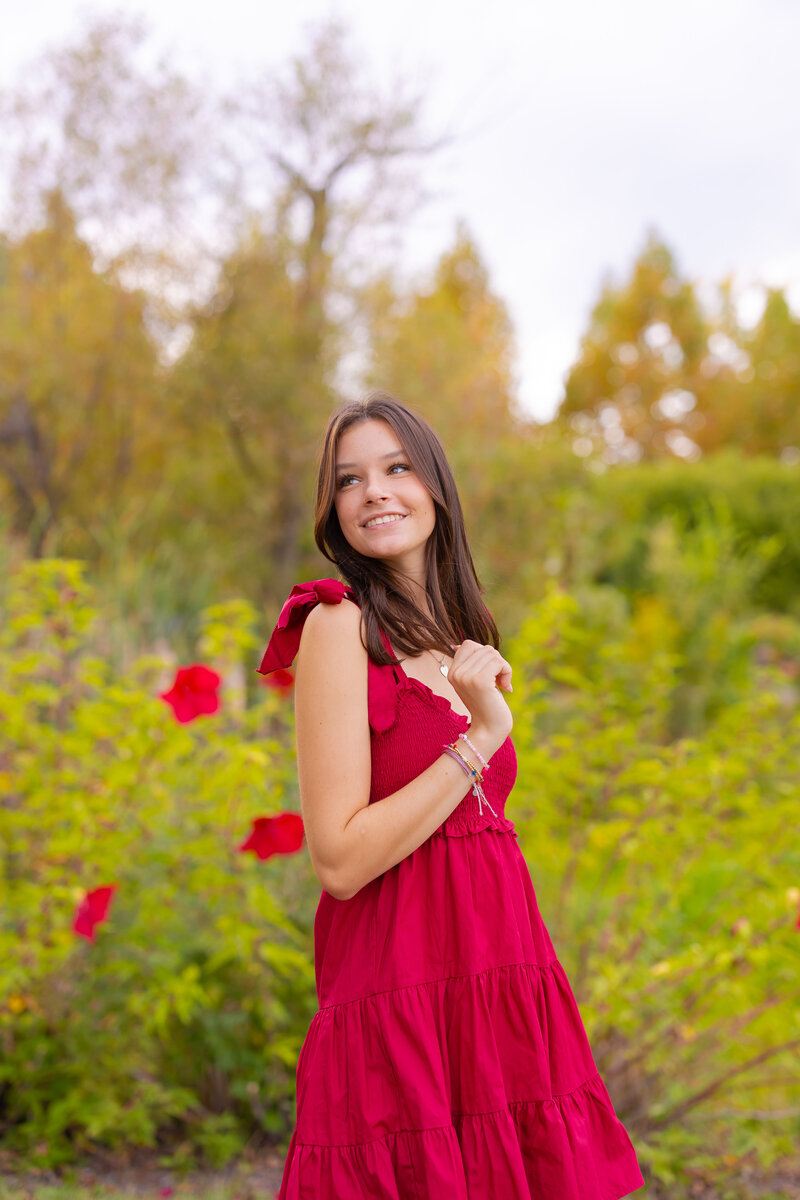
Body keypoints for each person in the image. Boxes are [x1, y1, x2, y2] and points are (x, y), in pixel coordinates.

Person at [257, 391, 646, 1199]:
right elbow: (338, 858)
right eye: (349, 479)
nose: (375, 492)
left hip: (496, 981)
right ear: (333, 509)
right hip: (398, 990)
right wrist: (479, 738)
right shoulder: (340, 628)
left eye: (397, 468)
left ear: (436, 486)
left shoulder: (460, 637)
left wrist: (480, 721)